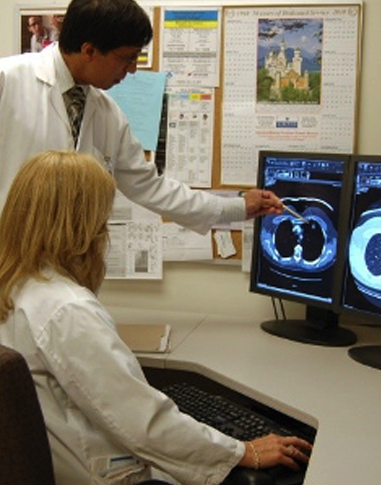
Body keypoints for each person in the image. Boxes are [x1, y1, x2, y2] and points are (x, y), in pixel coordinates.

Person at [0, 150, 312, 485]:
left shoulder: (16, 286)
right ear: (83, 226)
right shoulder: (67, 310)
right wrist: (242, 451)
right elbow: (141, 423)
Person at [0, 0, 283, 232]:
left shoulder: (107, 113)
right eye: (127, 59)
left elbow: (149, 186)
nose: (133, 69)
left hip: (65, 270)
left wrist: (237, 207)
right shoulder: (7, 80)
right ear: (89, 51)